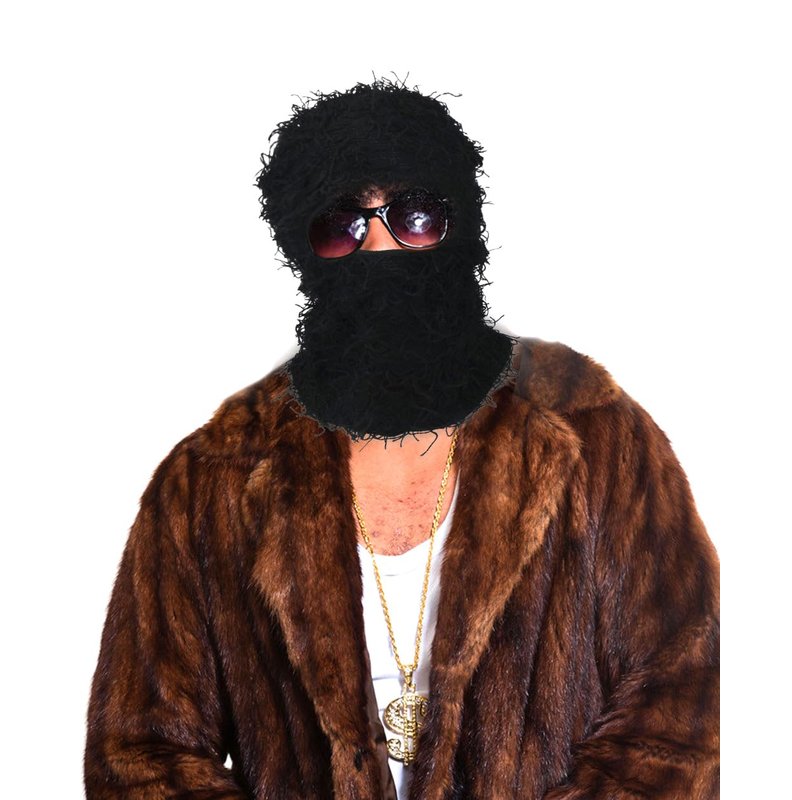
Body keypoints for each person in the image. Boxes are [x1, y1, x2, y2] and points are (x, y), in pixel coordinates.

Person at [84, 77, 720, 799]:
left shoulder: (589, 430)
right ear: (303, 250)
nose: (382, 245)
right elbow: (140, 753)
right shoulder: (215, 476)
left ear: (462, 225)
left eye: (415, 216)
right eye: (343, 225)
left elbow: (685, 703)